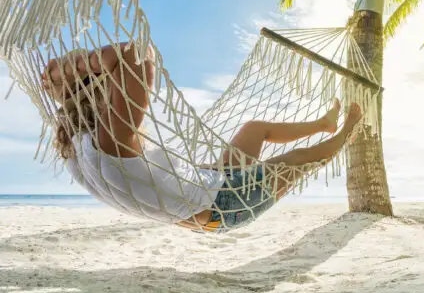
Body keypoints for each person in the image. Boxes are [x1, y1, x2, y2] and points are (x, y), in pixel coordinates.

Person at [41, 42, 362, 231]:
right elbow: (136, 55)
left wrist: (62, 76)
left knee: (253, 130)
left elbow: (65, 90)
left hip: (211, 190)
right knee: (296, 161)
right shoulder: (110, 142)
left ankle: (324, 124)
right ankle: (348, 130)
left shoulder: (76, 145)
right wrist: (77, 66)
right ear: (103, 90)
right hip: (228, 201)